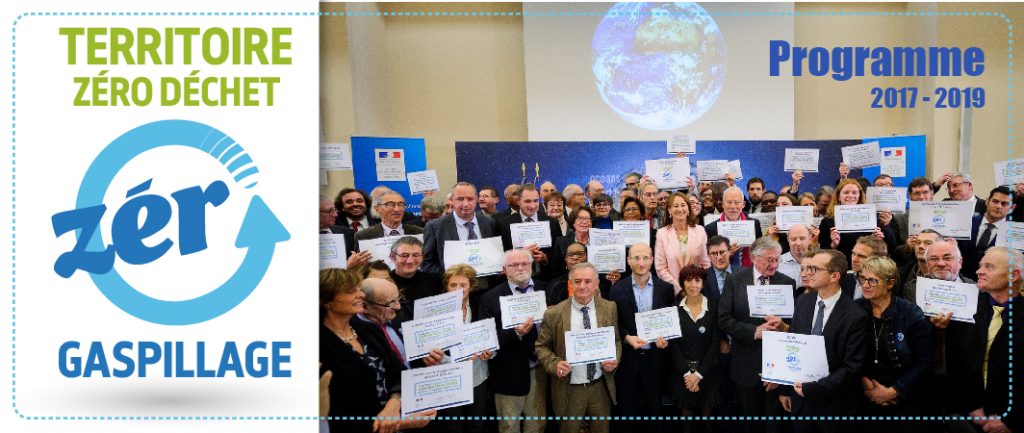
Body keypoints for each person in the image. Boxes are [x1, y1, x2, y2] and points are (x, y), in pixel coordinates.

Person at [320, 270, 433, 433]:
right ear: (326, 301)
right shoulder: (320, 348)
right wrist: (402, 423)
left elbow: (398, 373)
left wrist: (393, 404)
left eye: (358, 288)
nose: (361, 294)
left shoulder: (367, 329)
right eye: (351, 291)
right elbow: (333, 418)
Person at [779, 250, 870, 433]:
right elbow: (793, 345)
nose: (807, 273)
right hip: (801, 402)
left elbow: (852, 367)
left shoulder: (856, 316)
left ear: (834, 276)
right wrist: (785, 389)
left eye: (815, 269)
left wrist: (813, 389)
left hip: (835, 407)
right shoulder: (803, 302)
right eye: (807, 268)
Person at [717, 237, 796, 433]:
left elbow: (794, 327)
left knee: (774, 426)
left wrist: (783, 326)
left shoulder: (787, 283)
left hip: (777, 369)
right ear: (754, 258)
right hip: (745, 367)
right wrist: (754, 331)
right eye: (769, 260)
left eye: (777, 259)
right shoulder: (735, 280)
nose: (774, 264)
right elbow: (724, 319)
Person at [535, 263, 622, 433]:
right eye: (577, 281)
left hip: (600, 386)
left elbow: (616, 341)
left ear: (596, 283)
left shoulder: (609, 308)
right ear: (570, 284)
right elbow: (541, 347)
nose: (582, 286)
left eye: (588, 281)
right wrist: (555, 364)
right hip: (569, 389)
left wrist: (614, 359)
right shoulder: (554, 313)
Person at [853, 256, 934, 433]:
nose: (865, 284)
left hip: (905, 396)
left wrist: (893, 391)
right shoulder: (854, 310)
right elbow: (847, 354)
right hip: (863, 393)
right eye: (862, 278)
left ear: (890, 283)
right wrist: (866, 384)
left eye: (872, 280)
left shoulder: (911, 313)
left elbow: (924, 361)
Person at [951, 247, 1023, 433]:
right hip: (968, 416)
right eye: (980, 265)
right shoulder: (966, 306)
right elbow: (955, 362)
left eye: (989, 267)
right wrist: (972, 407)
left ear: (1013, 275)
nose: (979, 271)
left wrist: (1010, 420)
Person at [477, 250, 550, 433]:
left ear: (531, 266)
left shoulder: (546, 289)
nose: (520, 268)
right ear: (504, 269)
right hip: (507, 372)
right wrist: (515, 333)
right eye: (513, 265)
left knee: (537, 425)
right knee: (509, 426)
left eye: (524, 263)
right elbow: (486, 338)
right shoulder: (489, 298)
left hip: (540, 369)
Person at [420, 264, 494, 433]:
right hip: (448, 377)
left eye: (463, 285)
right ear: (446, 287)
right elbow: (427, 345)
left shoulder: (480, 304)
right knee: (452, 426)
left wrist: (489, 351)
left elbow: (490, 335)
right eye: (453, 285)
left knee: (476, 424)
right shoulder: (434, 311)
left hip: (477, 375)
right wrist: (454, 359)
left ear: (471, 286)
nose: (458, 289)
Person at [608, 243, 674, 425]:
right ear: (628, 261)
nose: (641, 262)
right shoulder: (617, 289)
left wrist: (666, 339)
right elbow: (613, 323)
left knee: (656, 410)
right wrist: (626, 337)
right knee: (627, 411)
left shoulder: (666, 289)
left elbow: (671, 322)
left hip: (657, 359)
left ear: (652, 260)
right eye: (636, 258)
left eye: (645, 258)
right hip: (629, 359)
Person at [670, 265, 721, 433]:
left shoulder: (714, 307)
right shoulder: (674, 309)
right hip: (683, 373)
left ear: (703, 283)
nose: (693, 285)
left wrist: (699, 375)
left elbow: (715, 344)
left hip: (708, 372)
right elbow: (674, 346)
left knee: (707, 421)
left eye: (697, 280)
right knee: (686, 423)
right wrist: (688, 374)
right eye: (688, 280)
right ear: (682, 283)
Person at [422, 182, 499, 277]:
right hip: (452, 284)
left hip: (486, 283)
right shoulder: (435, 227)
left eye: (470, 199)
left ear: (476, 200)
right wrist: (450, 275)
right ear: (452, 200)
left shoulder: (490, 223)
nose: (465, 204)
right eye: (460, 199)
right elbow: (427, 263)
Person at [817, 179, 897, 264]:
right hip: (839, 266)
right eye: (846, 192)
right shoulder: (827, 222)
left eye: (854, 193)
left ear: (859, 196)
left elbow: (892, 246)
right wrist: (833, 244)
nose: (850, 195)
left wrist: (877, 241)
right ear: (838, 197)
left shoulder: (873, 218)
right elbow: (822, 253)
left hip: (868, 266)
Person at [497, 184, 560, 277]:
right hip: (516, 277)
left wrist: (545, 258)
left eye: (535, 201)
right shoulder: (504, 224)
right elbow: (501, 255)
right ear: (518, 201)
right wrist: (519, 254)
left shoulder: (552, 222)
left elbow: (559, 253)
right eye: (527, 201)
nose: (532, 206)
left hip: (547, 278)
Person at [655, 191, 712, 295]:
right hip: (673, 293)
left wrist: (696, 286)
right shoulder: (661, 233)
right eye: (676, 206)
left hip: (698, 291)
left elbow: (706, 264)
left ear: (688, 208)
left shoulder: (700, 231)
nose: (680, 209)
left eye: (683, 205)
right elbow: (660, 268)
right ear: (669, 210)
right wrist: (679, 289)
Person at [958, 186, 1015, 280]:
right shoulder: (966, 222)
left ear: (1012, 207)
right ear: (987, 201)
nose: (998, 206)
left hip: (993, 284)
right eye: (995, 201)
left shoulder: (1016, 233)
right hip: (961, 280)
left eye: (1004, 204)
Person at [705, 187, 763, 269]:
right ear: (723, 204)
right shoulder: (710, 229)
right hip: (723, 272)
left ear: (743, 204)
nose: (732, 206)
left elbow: (759, 251)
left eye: (736, 202)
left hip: (750, 271)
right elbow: (707, 260)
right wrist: (724, 255)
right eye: (729, 202)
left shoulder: (754, 224)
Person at [388, 236, 444, 320]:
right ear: (392, 257)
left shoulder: (434, 280)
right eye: (404, 256)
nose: (410, 261)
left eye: (416, 255)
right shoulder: (386, 283)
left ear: (422, 257)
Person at [320, 199, 372, 269]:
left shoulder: (348, 233)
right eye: (330, 211)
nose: (335, 215)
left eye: (335, 210)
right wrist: (346, 267)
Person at [356, 191, 425, 241]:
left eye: (400, 204)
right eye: (390, 205)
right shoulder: (363, 236)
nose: (397, 209)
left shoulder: (420, 232)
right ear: (377, 209)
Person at [840, 236, 888, 300]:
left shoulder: (888, 284)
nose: (854, 259)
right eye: (853, 253)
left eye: (861, 256)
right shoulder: (844, 279)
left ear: (877, 259)